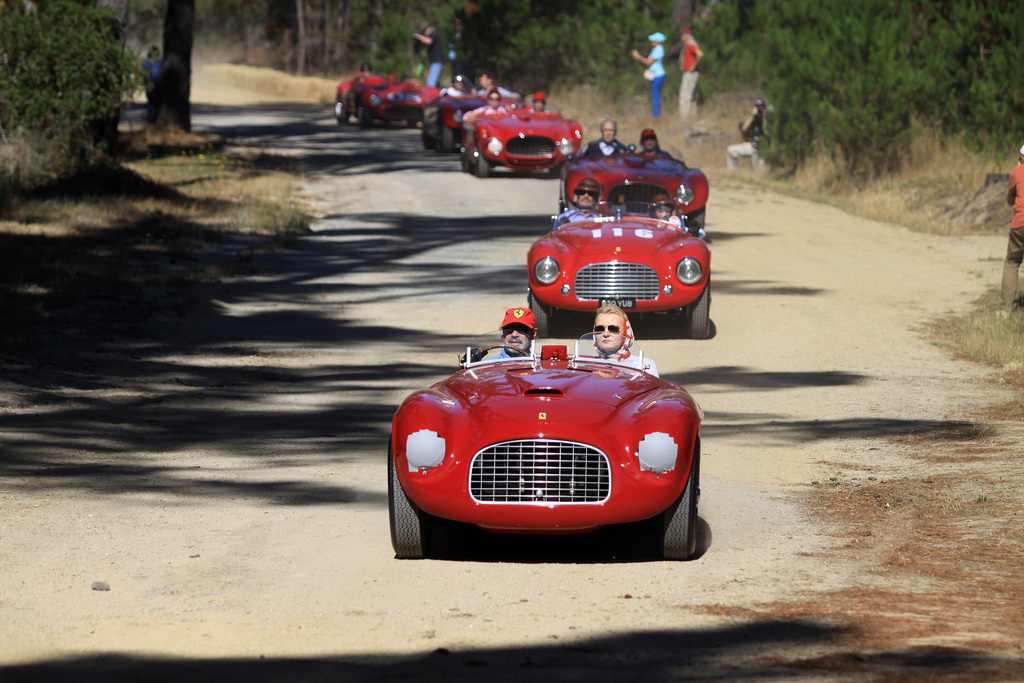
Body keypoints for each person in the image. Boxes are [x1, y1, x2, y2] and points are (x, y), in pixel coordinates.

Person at [589, 304, 659, 376]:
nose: (606, 334)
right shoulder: (585, 366)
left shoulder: (645, 366)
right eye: (599, 329)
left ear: (626, 332)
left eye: (613, 329)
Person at [999, 143, 1024, 316]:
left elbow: (1010, 200)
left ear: (1021, 158)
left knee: (1012, 263)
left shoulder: (1016, 173)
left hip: (1020, 224)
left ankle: (1005, 310)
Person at [465, 307, 537, 362]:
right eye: (509, 329)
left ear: (533, 334)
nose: (514, 334)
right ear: (503, 333)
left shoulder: (540, 367)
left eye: (522, 329)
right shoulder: (489, 366)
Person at [631, 32, 666, 119]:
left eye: (653, 40)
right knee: (654, 96)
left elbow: (648, 62)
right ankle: (656, 116)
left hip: (658, 75)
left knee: (655, 96)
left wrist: (638, 56)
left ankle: (656, 117)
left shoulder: (659, 50)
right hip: (656, 75)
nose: (652, 42)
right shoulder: (657, 49)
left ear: (657, 41)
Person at [727, 99, 768, 170]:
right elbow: (743, 129)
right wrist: (752, 116)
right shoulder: (753, 119)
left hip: (762, 150)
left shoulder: (767, 120)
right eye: (758, 107)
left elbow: (767, 132)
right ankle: (733, 173)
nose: (760, 110)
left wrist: (764, 117)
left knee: (759, 171)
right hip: (752, 146)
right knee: (731, 150)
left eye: (761, 108)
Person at [678, 29, 703, 120]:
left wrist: (693, 66)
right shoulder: (691, 44)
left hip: (690, 73)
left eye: (682, 36)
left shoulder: (690, 44)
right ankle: (692, 116)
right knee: (691, 96)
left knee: (685, 96)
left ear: (685, 37)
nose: (681, 39)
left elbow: (699, 54)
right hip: (692, 73)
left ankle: (684, 118)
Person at [142, 45, 162, 123]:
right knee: (157, 104)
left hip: (150, 85)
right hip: (159, 85)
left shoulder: (146, 62)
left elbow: (143, 75)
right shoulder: (161, 61)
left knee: (151, 103)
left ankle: (151, 121)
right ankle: (155, 120)